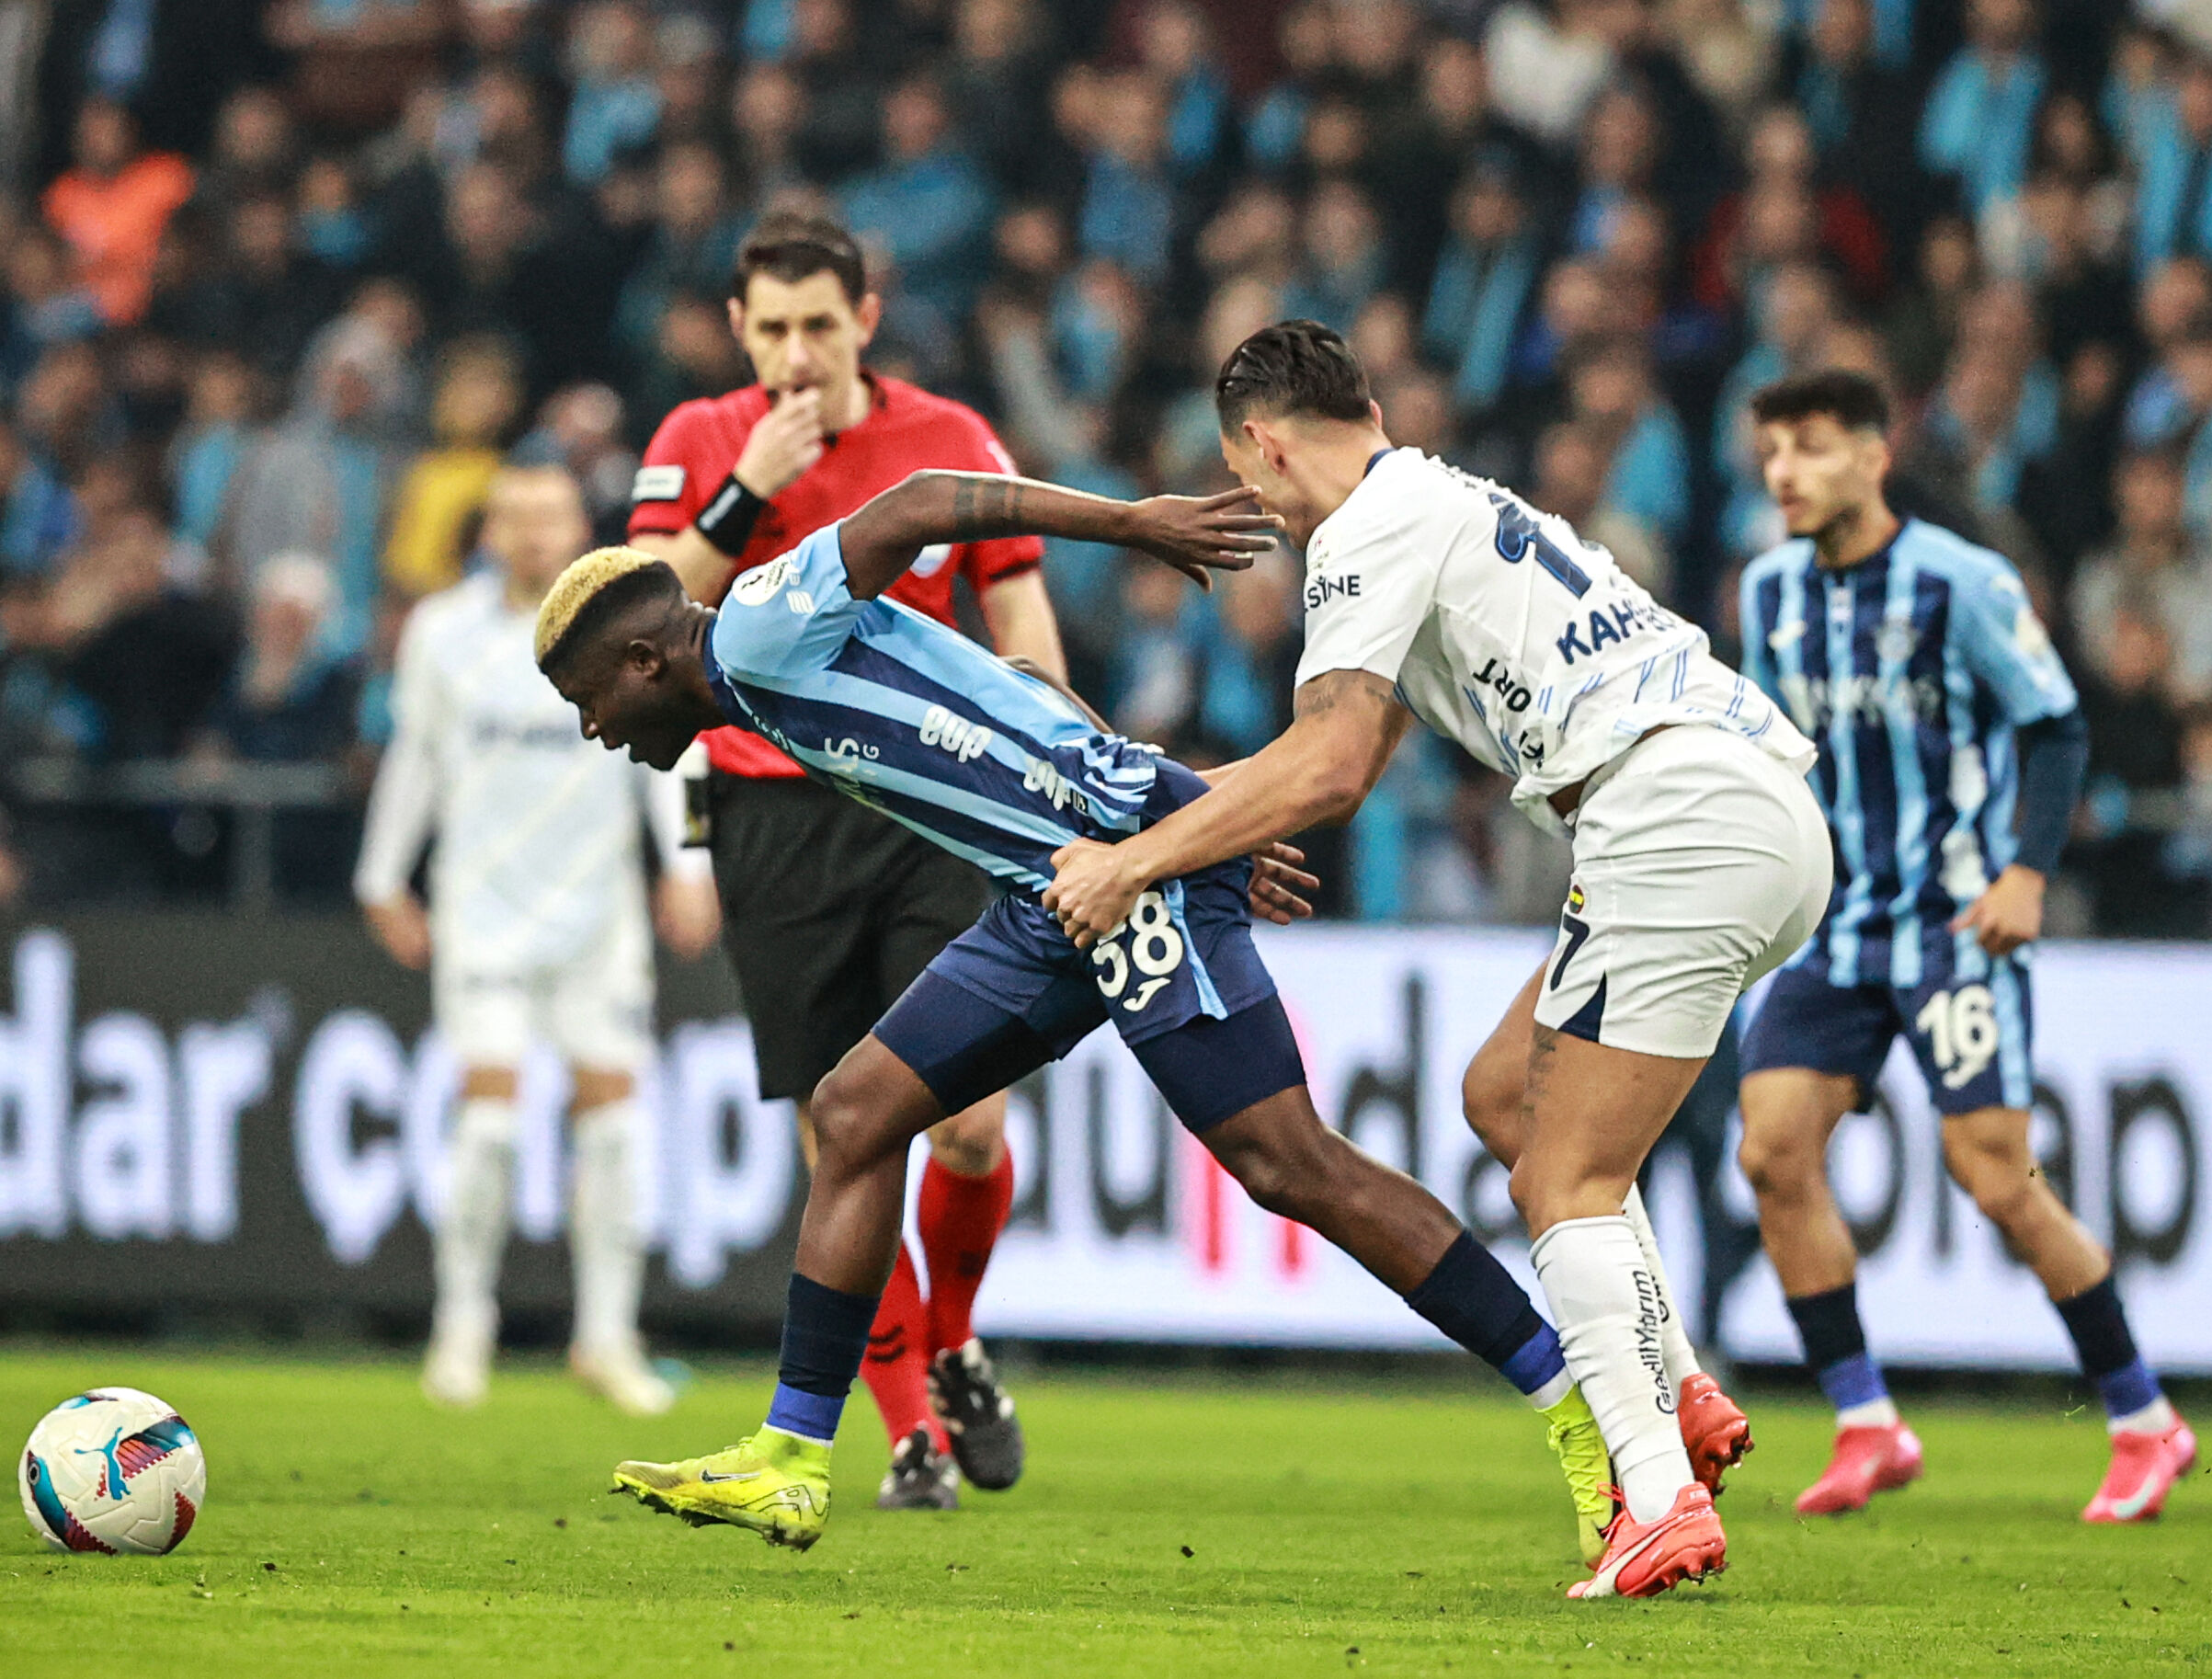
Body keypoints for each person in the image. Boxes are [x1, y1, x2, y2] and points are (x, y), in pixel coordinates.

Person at [534, 470, 1659, 1570]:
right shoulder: (759, 678)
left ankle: (1583, 1411)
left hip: (1129, 881)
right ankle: (790, 1452)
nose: (594, 729)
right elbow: (1029, 690)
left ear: (645, 660)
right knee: (855, 1109)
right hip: (1051, 898)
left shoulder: (756, 631)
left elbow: (921, 502)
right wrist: (1204, 805)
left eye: (592, 701)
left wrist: (1133, 527)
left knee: (1288, 1162)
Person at [1043, 321, 1825, 1600]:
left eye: (1249, 477)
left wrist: (1133, 863)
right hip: (1748, 806)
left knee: (1564, 1173)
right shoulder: (1443, 501)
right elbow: (1337, 760)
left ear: (1261, 443)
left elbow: (1329, 766)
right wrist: (1162, 819)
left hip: (1670, 815)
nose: (1261, 508)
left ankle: (1658, 1497)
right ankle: (1673, 1382)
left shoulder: (1362, 535)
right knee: (1501, 1094)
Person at [627, 213, 1063, 1508]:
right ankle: (912, 1427)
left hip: (932, 804)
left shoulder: (948, 439)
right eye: (773, 329)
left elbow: (1022, 611)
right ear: (737, 328)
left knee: (970, 1123)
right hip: (769, 815)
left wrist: (1049, 756)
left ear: (865, 320)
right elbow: (639, 614)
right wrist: (745, 488)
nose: (798, 353)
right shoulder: (703, 441)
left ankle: (956, 1338)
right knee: (845, 1137)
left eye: (820, 324)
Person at [1732, 369, 2196, 1523]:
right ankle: (1866, 1418)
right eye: (1772, 449)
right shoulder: (1771, 590)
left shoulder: (1964, 580)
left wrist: (2027, 872)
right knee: (1772, 1151)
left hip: (1955, 919)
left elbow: (2053, 723)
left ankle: (2145, 1418)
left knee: (1993, 1173)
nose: (1783, 470)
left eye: (1811, 447)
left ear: (1874, 456)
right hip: (1836, 924)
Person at [355, 462, 717, 1415]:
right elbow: (417, 755)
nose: (532, 532)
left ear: (576, 525)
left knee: (614, 1127)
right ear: (490, 531)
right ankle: (461, 1324)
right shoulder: (442, 633)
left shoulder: (630, 620)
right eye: (514, 517)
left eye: (549, 515)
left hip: (598, 918)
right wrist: (382, 874)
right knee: (488, 1120)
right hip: (482, 911)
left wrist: (690, 868)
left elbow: (679, 754)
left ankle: (605, 1336)